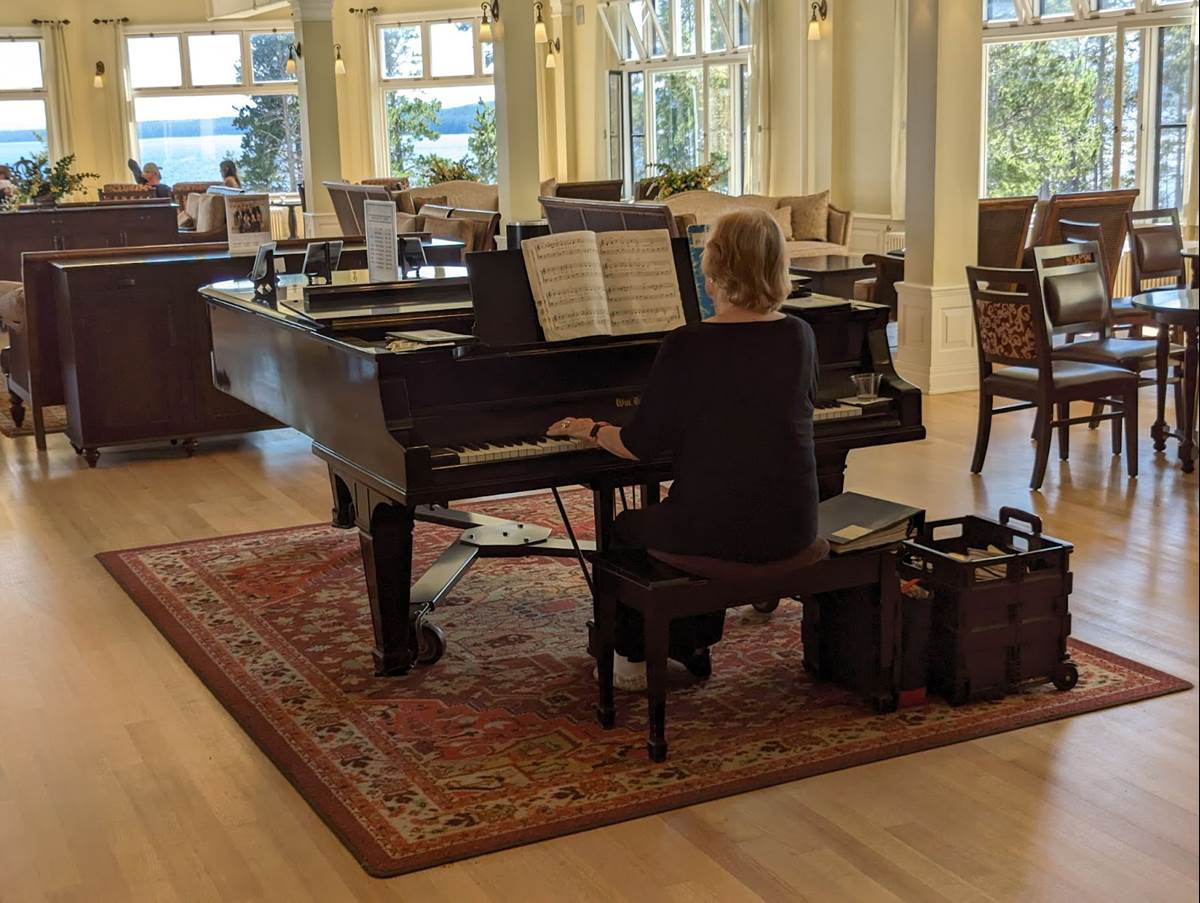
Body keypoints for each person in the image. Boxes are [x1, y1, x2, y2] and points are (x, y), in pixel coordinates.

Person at [547, 208, 822, 689]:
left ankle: (633, 661)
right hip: (794, 527)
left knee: (624, 529)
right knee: (701, 508)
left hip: (718, 532)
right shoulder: (801, 334)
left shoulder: (689, 343)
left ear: (714, 266)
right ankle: (691, 643)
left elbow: (639, 445)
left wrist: (591, 429)